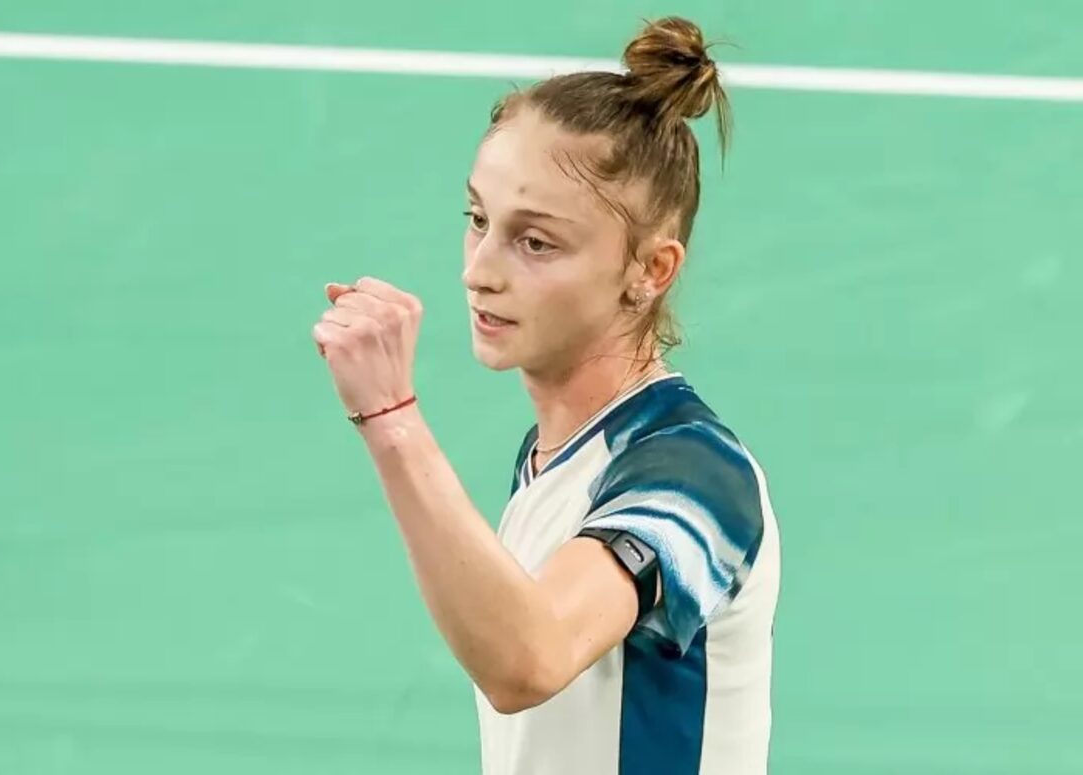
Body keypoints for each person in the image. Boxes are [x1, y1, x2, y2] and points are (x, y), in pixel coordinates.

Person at [311, 15, 780, 775]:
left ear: (651, 270)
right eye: (478, 220)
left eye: (536, 242)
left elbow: (529, 658)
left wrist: (392, 419)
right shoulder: (553, 460)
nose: (479, 271)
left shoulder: (693, 478)